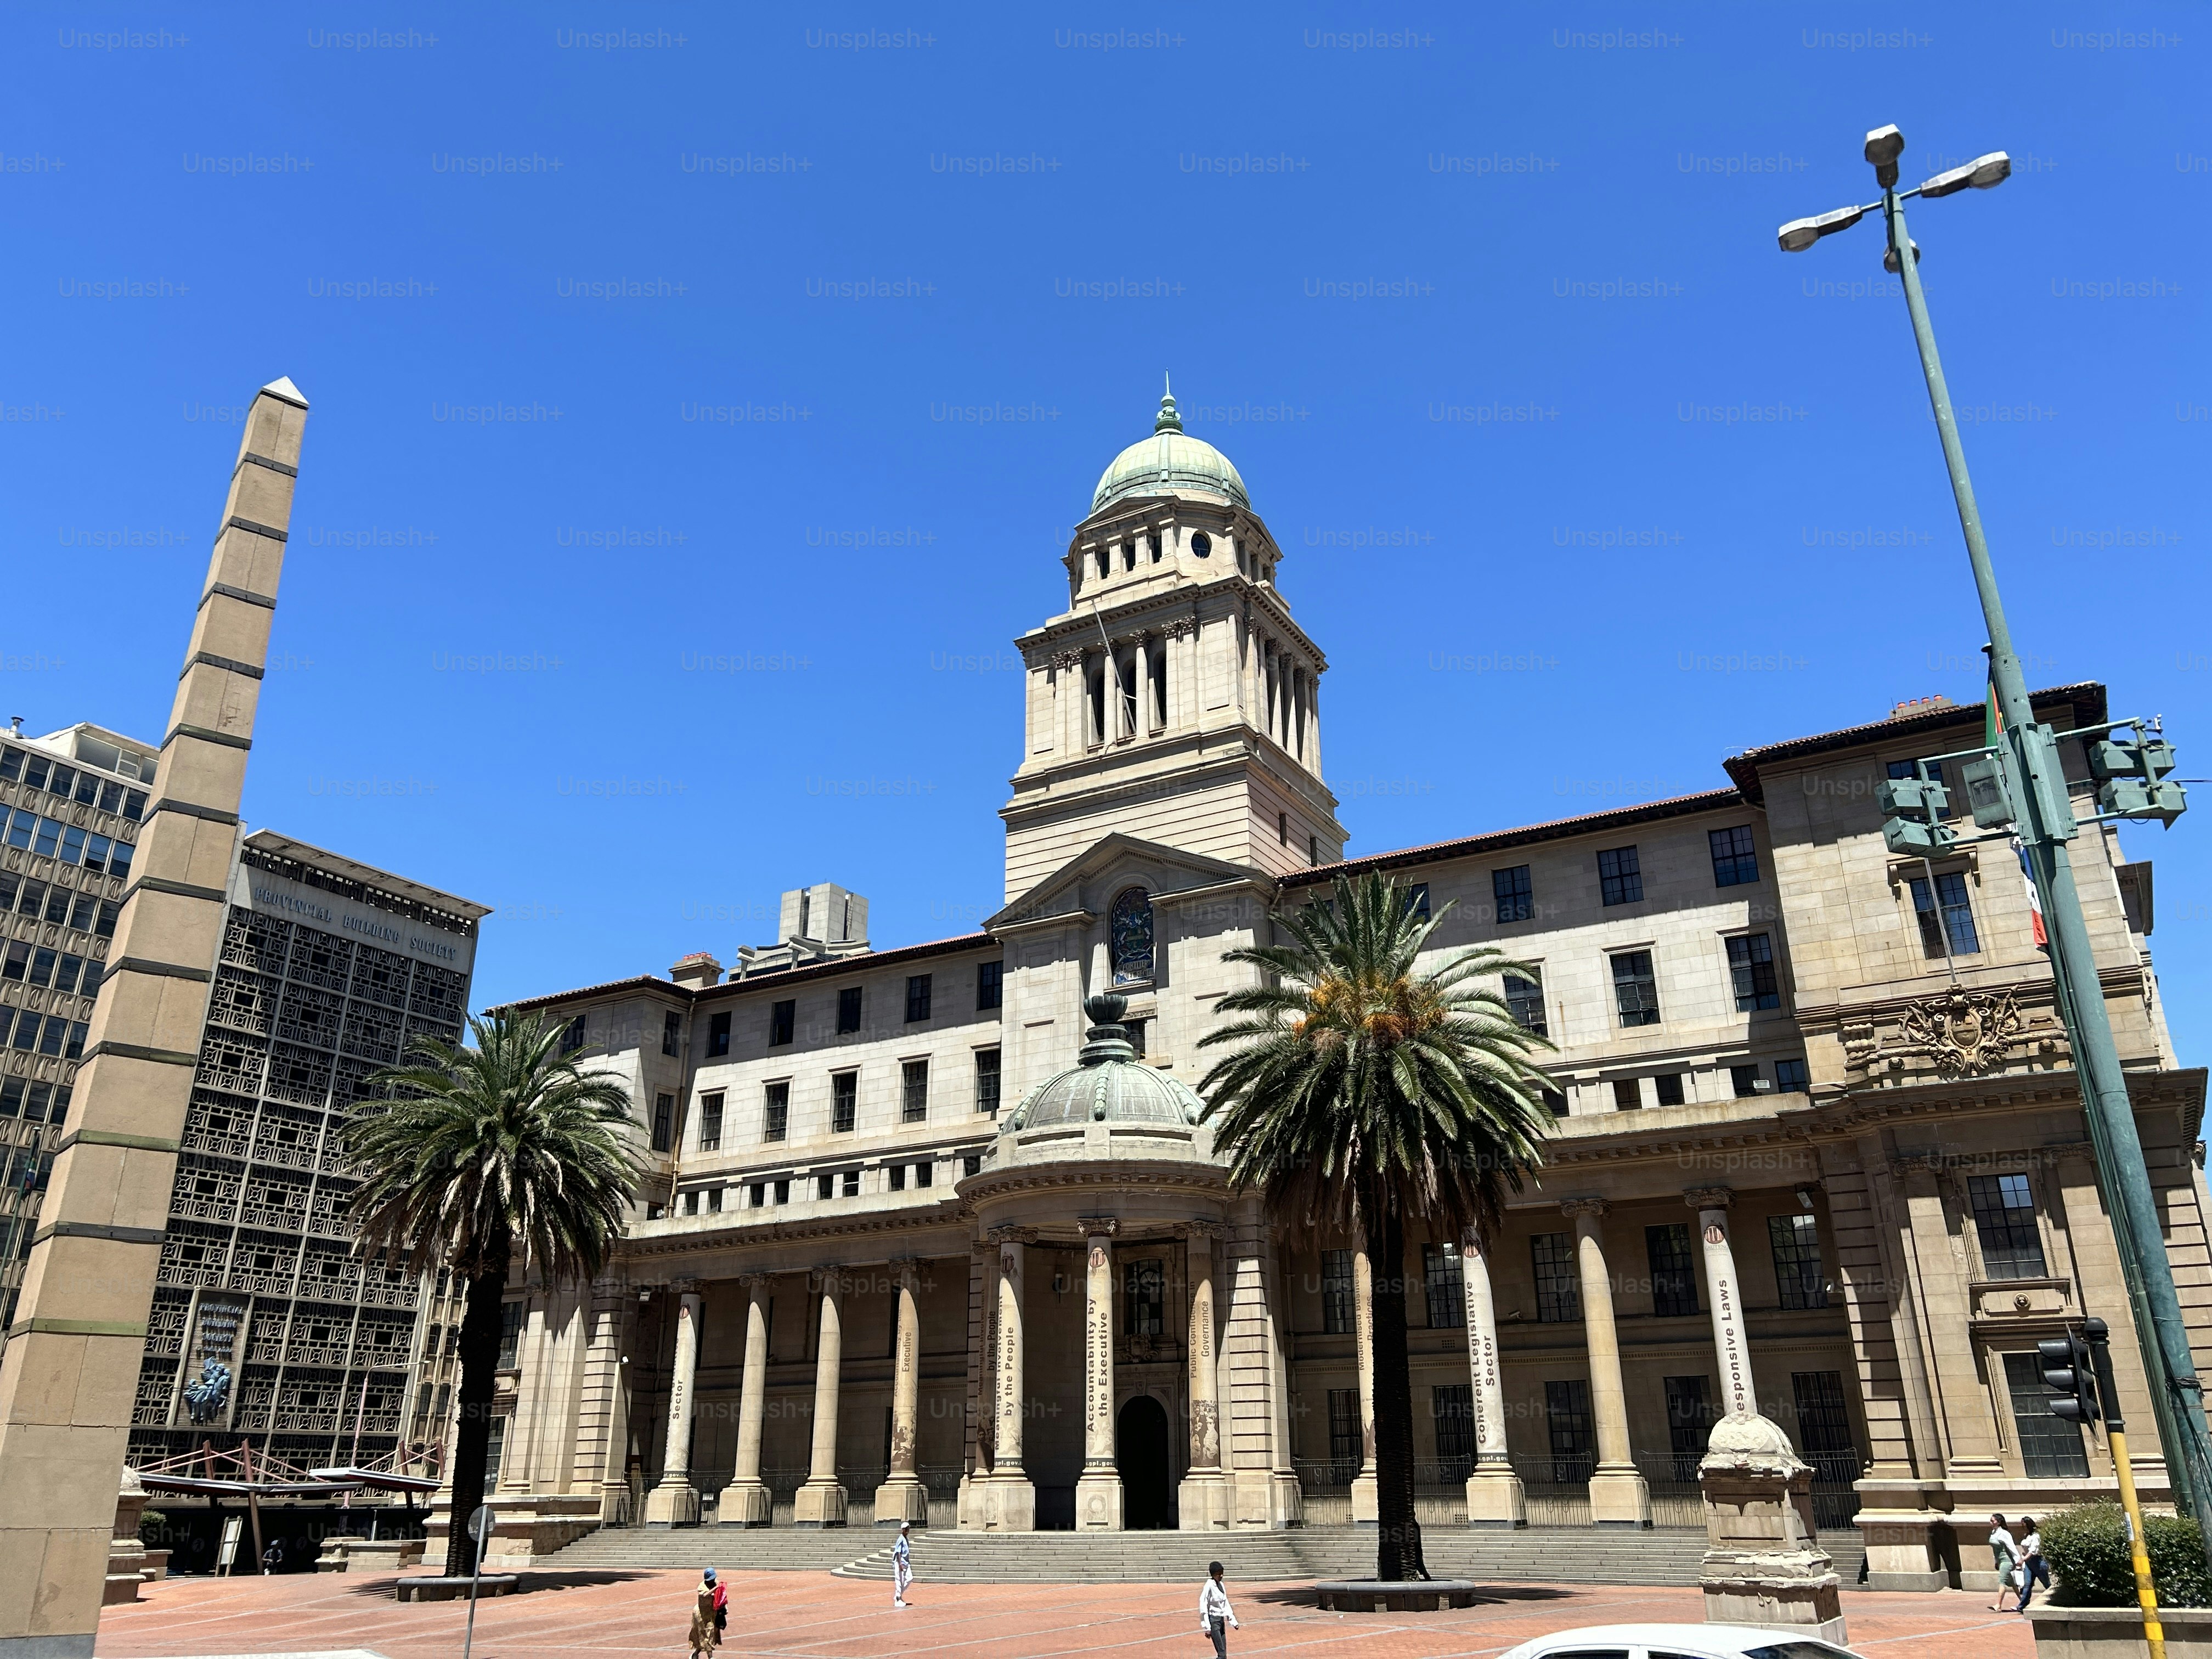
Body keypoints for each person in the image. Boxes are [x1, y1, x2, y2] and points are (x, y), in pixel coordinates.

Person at [1199, 1561, 1238, 1659]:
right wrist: (1207, 1628)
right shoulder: (1209, 1586)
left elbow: (1225, 1604)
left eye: (1222, 1573)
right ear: (1213, 1574)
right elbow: (1203, 1605)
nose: (1221, 1576)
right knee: (1222, 1654)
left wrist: (1233, 1621)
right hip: (1213, 1621)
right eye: (1218, 1574)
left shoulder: (1221, 1585)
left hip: (1221, 1621)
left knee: (1223, 1652)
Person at [1988, 1514, 2022, 1613]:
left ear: (1999, 1522)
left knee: (2002, 1581)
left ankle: (1998, 1605)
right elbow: (1995, 1550)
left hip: (2008, 1561)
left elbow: (2011, 1547)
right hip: (2001, 1560)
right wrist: (1996, 1562)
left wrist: (2018, 1560)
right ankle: (2023, 1601)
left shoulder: (2004, 1533)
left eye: (1993, 1521)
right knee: (2012, 1583)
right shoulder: (1994, 1533)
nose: (1991, 1523)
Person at [2017, 1518, 2049, 1613]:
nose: (2023, 1527)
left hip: (2037, 1561)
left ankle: (2056, 1598)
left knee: (2046, 1583)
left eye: (2024, 1524)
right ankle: (2022, 1606)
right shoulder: (2026, 1536)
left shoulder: (2036, 1535)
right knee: (2028, 1584)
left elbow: (2034, 1550)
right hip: (2029, 1562)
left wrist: (2024, 1559)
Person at [688, 1570, 718, 1656]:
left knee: (708, 1635)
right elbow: (705, 1595)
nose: (713, 1581)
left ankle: (695, 1654)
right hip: (701, 1614)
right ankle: (710, 1657)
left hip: (711, 1613)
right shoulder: (702, 1586)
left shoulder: (715, 1583)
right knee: (707, 1633)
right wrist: (715, 1589)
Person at [893, 1521, 915, 1608]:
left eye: (908, 1529)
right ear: (903, 1530)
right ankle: (898, 1599)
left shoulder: (906, 1539)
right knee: (899, 1580)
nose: (908, 1531)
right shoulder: (901, 1539)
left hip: (906, 1562)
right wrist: (900, 1564)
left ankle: (898, 1594)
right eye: (906, 1529)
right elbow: (898, 1552)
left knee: (910, 1578)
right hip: (900, 1562)